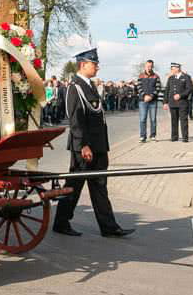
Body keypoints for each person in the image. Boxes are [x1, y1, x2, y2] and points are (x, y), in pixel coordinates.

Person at [52, 48, 134, 238]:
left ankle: (109, 227)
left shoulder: (89, 85)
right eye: (94, 64)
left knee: (99, 186)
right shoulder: (75, 87)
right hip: (85, 147)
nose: (97, 67)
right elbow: (75, 120)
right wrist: (83, 145)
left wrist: (102, 146)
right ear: (83, 65)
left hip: (97, 146)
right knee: (74, 186)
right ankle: (61, 222)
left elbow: (98, 117)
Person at [163, 63, 193, 143]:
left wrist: (180, 95)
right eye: (171, 69)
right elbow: (167, 90)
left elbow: (189, 89)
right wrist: (165, 102)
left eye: (172, 68)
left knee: (183, 120)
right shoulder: (171, 78)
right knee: (174, 120)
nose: (171, 70)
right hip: (172, 103)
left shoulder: (186, 77)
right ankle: (174, 137)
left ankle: (185, 137)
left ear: (177, 68)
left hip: (182, 102)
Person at [137, 60, 161, 143]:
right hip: (142, 101)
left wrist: (151, 96)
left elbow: (158, 88)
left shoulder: (156, 76)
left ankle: (153, 135)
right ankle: (142, 136)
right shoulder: (141, 76)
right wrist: (144, 96)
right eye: (148, 66)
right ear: (145, 66)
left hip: (153, 101)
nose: (149, 67)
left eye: (150, 66)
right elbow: (139, 87)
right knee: (142, 119)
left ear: (152, 66)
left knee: (153, 119)